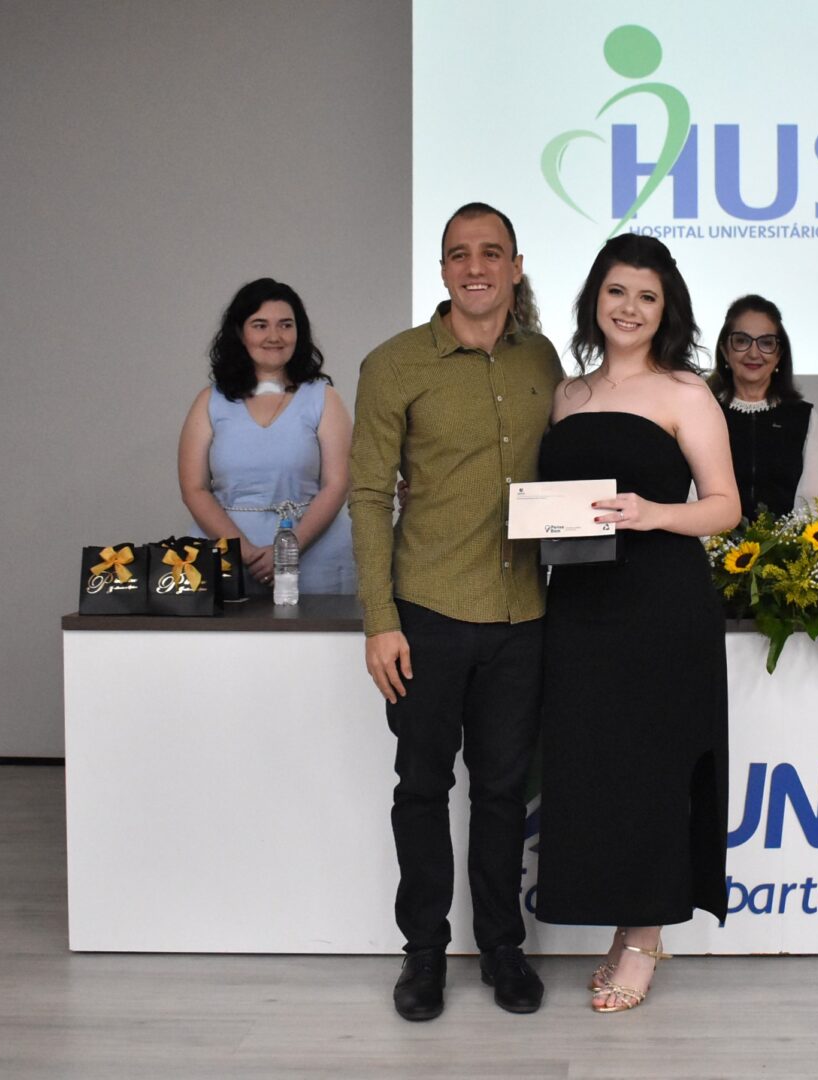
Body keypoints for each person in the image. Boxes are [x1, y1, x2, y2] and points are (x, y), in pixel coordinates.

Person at [347, 203, 563, 1021]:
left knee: (504, 792)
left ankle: (503, 948)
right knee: (422, 787)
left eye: (491, 252)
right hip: (428, 612)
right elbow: (370, 495)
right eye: (460, 254)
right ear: (442, 269)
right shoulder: (393, 364)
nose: (476, 267)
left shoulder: (542, 357)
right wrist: (380, 620)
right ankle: (425, 952)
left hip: (523, 614)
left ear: (515, 266)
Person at [533, 234, 740, 1013]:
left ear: (666, 310)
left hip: (660, 605)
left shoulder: (686, 392)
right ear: (595, 297)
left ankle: (646, 937)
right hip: (579, 606)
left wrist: (653, 513)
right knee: (598, 770)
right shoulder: (568, 394)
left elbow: (726, 507)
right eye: (617, 291)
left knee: (652, 770)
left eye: (647, 297)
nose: (629, 308)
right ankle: (626, 924)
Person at [178, 278, 355, 594]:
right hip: (227, 559)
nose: (275, 336)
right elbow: (194, 489)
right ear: (240, 333)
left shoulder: (324, 398)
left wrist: (287, 550)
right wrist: (245, 551)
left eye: (286, 325)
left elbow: (337, 484)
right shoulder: (209, 401)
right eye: (260, 325)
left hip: (315, 557)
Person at [705, 294, 818, 518]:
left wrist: (786, 540)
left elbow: (817, 503)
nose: (754, 353)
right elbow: (689, 494)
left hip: (789, 541)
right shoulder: (702, 412)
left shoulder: (803, 417)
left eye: (766, 343)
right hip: (711, 538)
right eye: (742, 341)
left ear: (779, 354)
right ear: (725, 350)